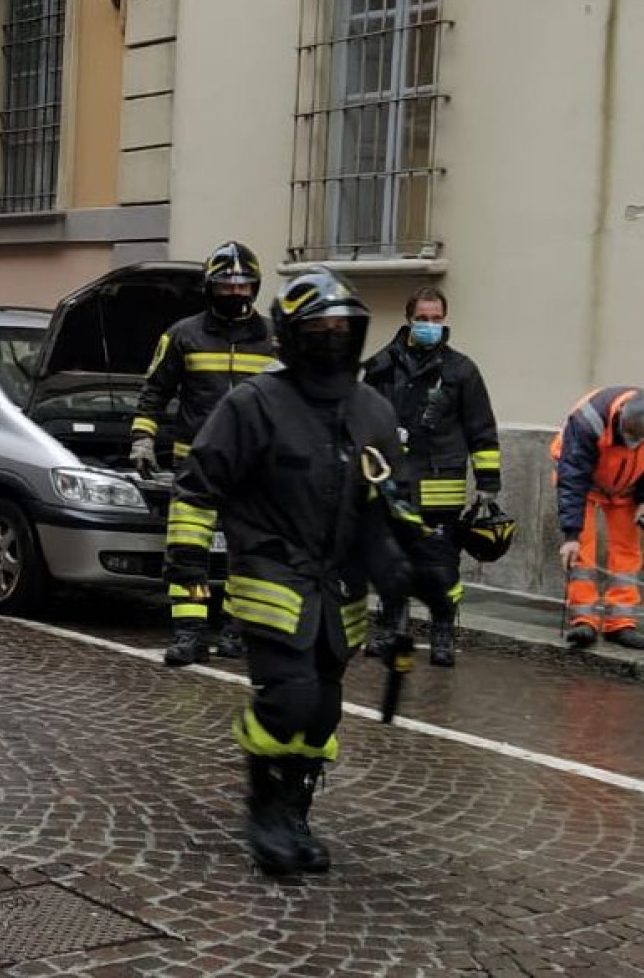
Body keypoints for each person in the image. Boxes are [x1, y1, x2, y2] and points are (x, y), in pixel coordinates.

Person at [164, 269, 429, 877]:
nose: (333, 338)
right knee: (289, 697)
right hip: (272, 575)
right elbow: (198, 487)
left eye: (343, 328)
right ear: (291, 335)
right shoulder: (253, 404)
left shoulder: (372, 410)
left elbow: (389, 502)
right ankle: (264, 807)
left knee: (324, 708)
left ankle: (295, 809)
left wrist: (400, 567)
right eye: (320, 328)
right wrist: (188, 565)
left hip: (339, 588)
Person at [132, 241, 277, 665]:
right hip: (196, 464)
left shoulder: (274, 339)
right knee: (187, 551)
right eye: (226, 286)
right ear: (210, 287)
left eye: (243, 286)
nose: (235, 293)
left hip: (255, 466)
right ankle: (190, 634)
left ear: (255, 287)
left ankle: (236, 632)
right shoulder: (183, 335)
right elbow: (155, 390)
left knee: (249, 554)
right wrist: (143, 438)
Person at [360, 286, 501, 666]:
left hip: (442, 486)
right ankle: (391, 628)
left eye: (437, 319)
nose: (430, 325)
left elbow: (482, 429)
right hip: (393, 485)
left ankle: (442, 634)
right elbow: (361, 421)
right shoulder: (380, 366)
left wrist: (488, 482)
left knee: (441, 567)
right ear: (409, 319)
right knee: (392, 561)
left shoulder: (461, 370)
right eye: (423, 319)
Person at [553, 386, 644, 651]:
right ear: (620, 414)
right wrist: (571, 534)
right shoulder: (588, 420)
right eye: (629, 434)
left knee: (627, 553)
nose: (633, 443)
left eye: (640, 438)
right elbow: (573, 476)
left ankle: (620, 623)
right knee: (581, 550)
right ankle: (584, 620)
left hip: (627, 488)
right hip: (584, 484)